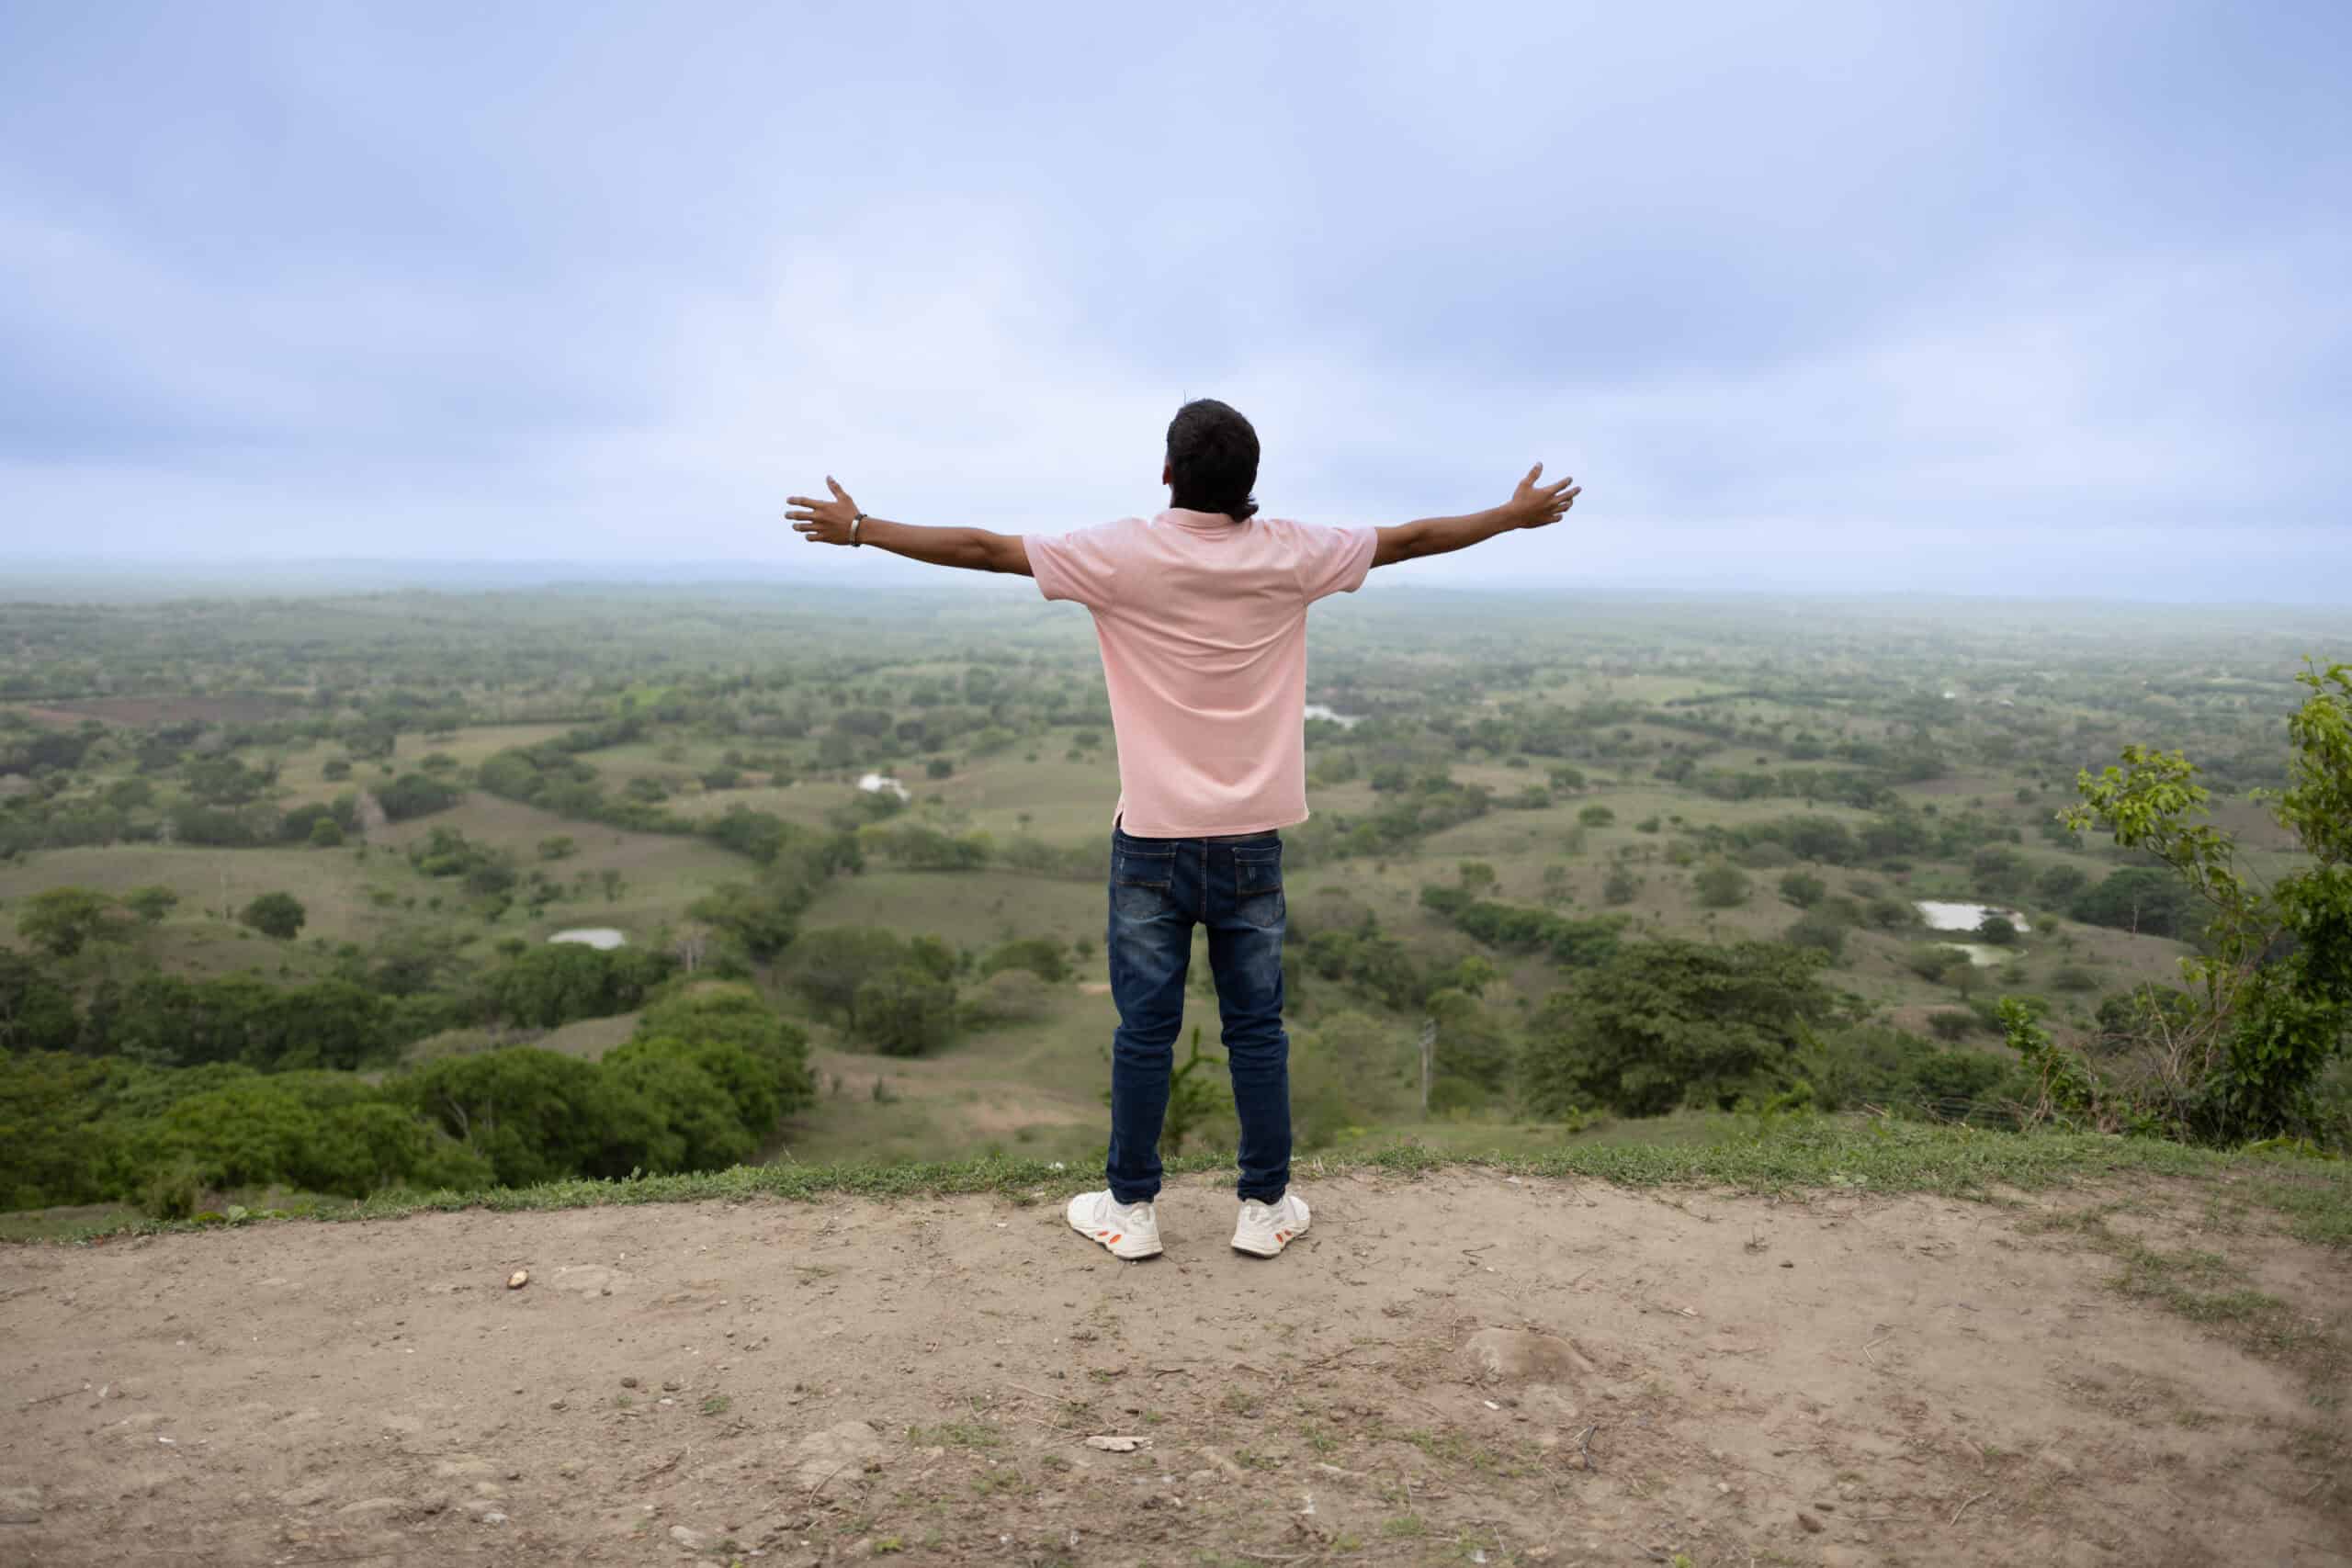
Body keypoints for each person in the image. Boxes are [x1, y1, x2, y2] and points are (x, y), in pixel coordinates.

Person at [786, 399, 1579, 1260]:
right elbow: (1413, 538)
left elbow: (984, 550)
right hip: (1251, 843)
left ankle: (1130, 1211)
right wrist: (1511, 514)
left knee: (1144, 1033)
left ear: (1168, 472)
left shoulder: (1120, 554)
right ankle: (1266, 1205)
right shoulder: (1292, 554)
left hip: (1152, 843)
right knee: (1256, 1031)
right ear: (1249, 484)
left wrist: (860, 527)